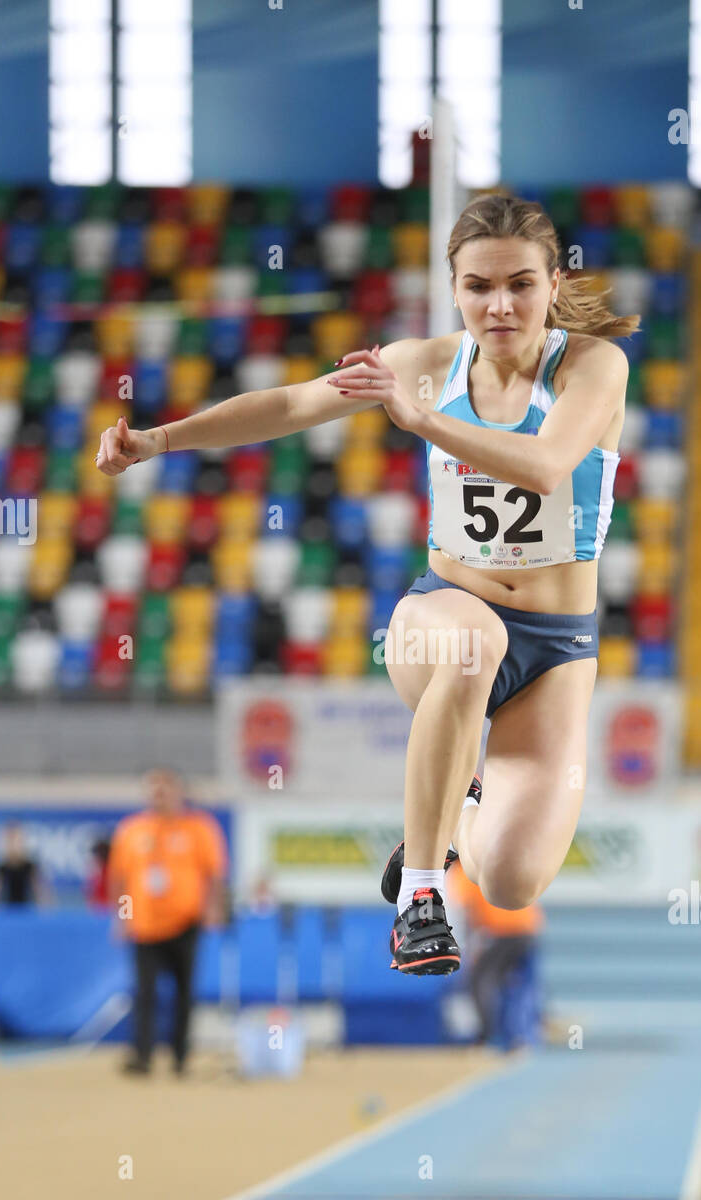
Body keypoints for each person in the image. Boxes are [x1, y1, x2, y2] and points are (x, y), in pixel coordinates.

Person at [96, 194, 637, 979]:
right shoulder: (425, 363)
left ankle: (457, 808)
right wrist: (158, 440)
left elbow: (548, 466)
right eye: (479, 286)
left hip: (558, 647)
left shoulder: (592, 367)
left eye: (520, 284)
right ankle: (421, 897)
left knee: (515, 882)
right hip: (442, 618)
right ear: (453, 288)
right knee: (472, 643)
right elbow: (289, 404)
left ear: (554, 284)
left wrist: (420, 422)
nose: (500, 304)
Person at [107, 768, 229, 1075]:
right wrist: (123, 918)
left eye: (165, 788)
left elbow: (214, 874)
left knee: (185, 993)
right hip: (145, 926)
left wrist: (213, 908)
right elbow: (119, 879)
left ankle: (180, 1056)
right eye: (154, 789)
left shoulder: (199, 828)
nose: (159, 794)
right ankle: (143, 1056)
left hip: (185, 923)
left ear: (178, 792)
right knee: (144, 993)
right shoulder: (131, 830)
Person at [447, 859, 543, 1046]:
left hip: (504, 930)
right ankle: (523, 1032)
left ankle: (487, 1036)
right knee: (517, 983)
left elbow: (467, 912)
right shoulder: (488, 863)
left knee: (482, 980)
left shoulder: (464, 873)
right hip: (528, 927)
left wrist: (470, 948)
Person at [0, 822, 43, 906]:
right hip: (8, 912)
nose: (13, 845)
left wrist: (46, 912)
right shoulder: (3, 867)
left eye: (17, 841)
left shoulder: (29, 866)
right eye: (10, 842)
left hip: (27, 911)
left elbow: (39, 891)